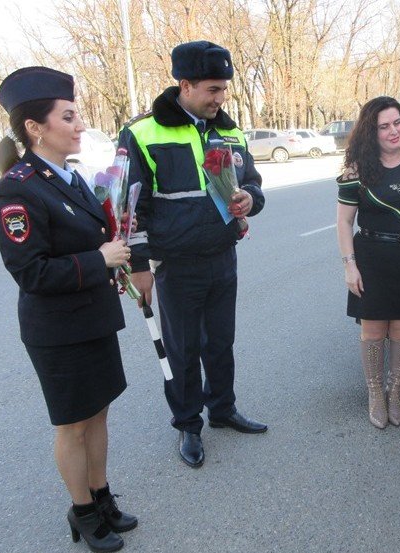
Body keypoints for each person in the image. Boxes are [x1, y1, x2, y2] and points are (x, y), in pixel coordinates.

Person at [0, 67, 137, 553]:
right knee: (73, 423)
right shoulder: (18, 189)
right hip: (57, 329)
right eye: (69, 116)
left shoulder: (69, 178)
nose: (80, 125)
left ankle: (101, 494)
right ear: (35, 127)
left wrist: (111, 253)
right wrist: (98, 259)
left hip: (91, 316)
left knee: (98, 414)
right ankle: (83, 511)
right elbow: (31, 272)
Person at [118, 41, 267, 469]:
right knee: (182, 350)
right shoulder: (144, 133)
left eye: (224, 90)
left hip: (222, 256)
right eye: (213, 90)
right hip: (176, 264)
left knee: (220, 343)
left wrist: (248, 200)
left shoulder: (230, 129)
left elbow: (254, 183)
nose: (220, 99)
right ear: (185, 85)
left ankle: (222, 409)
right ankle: (188, 424)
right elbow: (131, 206)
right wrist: (139, 265)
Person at [336, 96, 400, 429]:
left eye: (397, 123)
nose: (393, 131)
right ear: (371, 132)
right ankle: (376, 391)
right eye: (384, 126)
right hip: (373, 259)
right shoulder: (356, 171)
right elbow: (344, 223)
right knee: (374, 330)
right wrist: (350, 265)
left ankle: (396, 391)